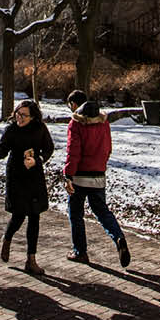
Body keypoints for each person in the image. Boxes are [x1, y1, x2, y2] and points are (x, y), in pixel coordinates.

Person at [0, 100, 54, 275]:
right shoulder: (11, 130)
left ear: (33, 116)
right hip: (16, 176)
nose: (19, 118)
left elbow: (49, 149)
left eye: (24, 115)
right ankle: (7, 239)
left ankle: (31, 259)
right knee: (18, 215)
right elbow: (2, 152)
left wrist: (38, 160)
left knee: (34, 217)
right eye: (18, 114)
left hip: (34, 175)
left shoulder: (40, 129)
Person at [63, 90, 130, 267]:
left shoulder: (75, 123)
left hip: (79, 176)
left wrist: (68, 174)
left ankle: (80, 251)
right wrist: (101, 165)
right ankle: (119, 237)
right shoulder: (103, 123)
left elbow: (73, 151)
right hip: (98, 174)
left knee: (76, 214)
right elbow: (107, 148)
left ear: (75, 105)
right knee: (102, 211)